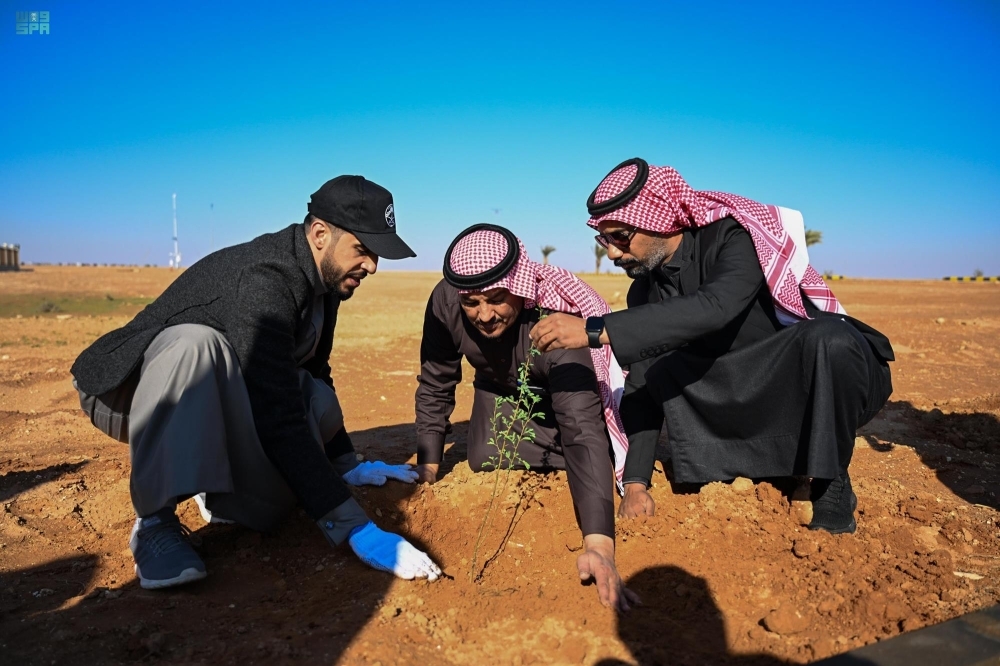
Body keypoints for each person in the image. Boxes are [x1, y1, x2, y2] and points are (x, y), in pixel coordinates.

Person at [71, 175, 442, 589]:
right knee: (197, 344)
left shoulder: (325, 283)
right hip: (131, 389)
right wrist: (357, 527)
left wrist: (346, 465)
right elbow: (276, 410)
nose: (372, 265)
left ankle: (217, 490)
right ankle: (154, 523)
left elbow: (313, 372)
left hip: (211, 393)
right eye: (363, 249)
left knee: (291, 461)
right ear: (320, 234)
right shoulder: (266, 279)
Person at [530, 159, 893, 535]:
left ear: (660, 218)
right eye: (605, 240)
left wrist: (595, 329)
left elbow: (715, 307)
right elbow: (642, 384)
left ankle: (831, 482)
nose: (612, 254)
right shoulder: (644, 291)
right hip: (737, 396)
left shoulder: (733, 239)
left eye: (621, 236)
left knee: (829, 339)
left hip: (801, 381)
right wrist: (636, 483)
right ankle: (766, 462)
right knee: (663, 368)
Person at [414, 223, 639, 611]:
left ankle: (596, 467)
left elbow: (580, 429)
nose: (484, 315)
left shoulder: (554, 325)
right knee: (484, 456)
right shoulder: (446, 302)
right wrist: (427, 470)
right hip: (500, 388)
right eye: (472, 303)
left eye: (497, 298)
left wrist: (599, 546)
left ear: (518, 286)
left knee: (584, 446)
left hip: (570, 395)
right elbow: (436, 380)